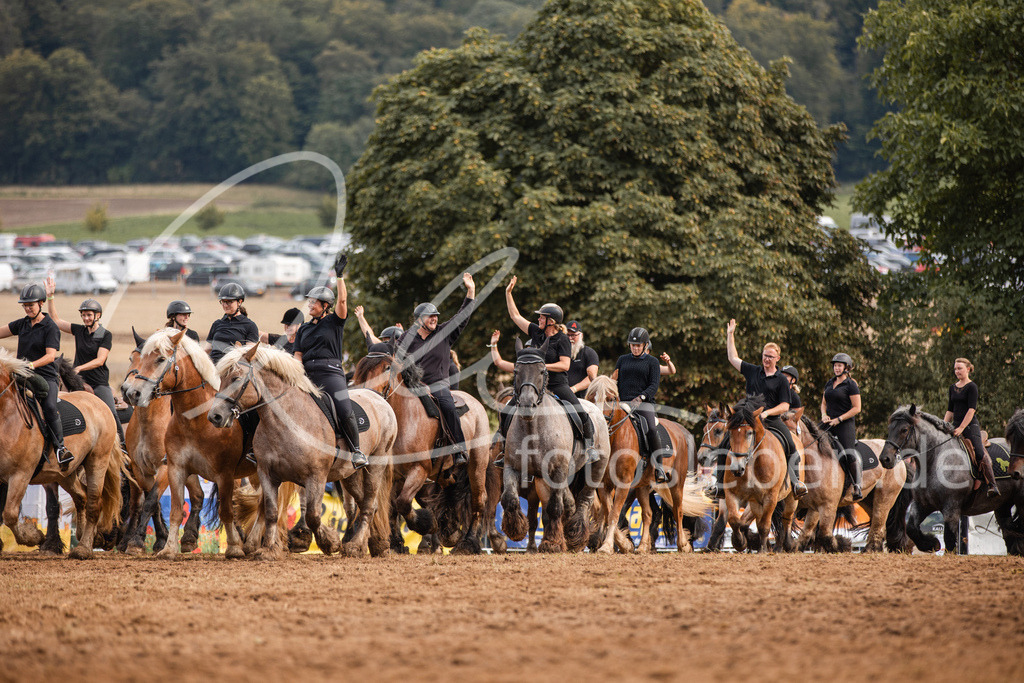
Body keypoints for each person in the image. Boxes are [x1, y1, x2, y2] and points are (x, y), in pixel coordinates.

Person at [500, 276, 599, 463]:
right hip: (534, 385)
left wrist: (542, 366)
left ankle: (590, 446)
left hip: (557, 384)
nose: (538, 319)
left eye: (541, 317)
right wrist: (508, 293)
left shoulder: (562, 339)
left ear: (551, 321)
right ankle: (503, 447)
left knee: (579, 411)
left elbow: (565, 365)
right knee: (507, 410)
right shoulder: (536, 331)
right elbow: (515, 316)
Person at [294, 254, 367, 469]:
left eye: (313, 302)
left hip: (331, 373)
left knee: (344, 409)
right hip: (307, 374)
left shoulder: (335, 322)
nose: (309, 305)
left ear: (326, 305)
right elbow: (297, 355)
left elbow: (343, 301)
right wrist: (296, 373)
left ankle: (356, 450)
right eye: (309, 302)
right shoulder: (304, 329)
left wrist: (340, 276)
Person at [395, 273, 477, 467]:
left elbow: (462, 317)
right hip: (412, 386)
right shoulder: (405, 338)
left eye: (436, 316)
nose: (434, 319)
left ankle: (458, 450)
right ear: (418, 320)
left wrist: (470, 291)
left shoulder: (444, 332)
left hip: (438, 385)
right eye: (430, 316)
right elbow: (396, 360)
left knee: (448, 406)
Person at [725, 319, 807, 497]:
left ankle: (796, 482)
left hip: (770, 419)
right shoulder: (753, 371)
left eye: (770, 356)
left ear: (777, 358)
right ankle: (718, 484)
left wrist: (767, 412)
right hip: (748, 419)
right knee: (725, 440)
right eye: (764, 355)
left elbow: (785, 405)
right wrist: (730, 334)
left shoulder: (781, 380)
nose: (766, 359)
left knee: (791, 446)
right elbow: (733, 358)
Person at [44, 276, 125, 447]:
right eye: (83, 315)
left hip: (98, 382)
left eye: (89, 315)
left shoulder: (105, 335)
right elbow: (56, 321)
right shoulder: (79, 330)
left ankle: (123, 449)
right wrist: (50, 297)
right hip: (78, 381)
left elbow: (100, 360)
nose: (86, 318)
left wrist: (79, 367)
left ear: (98, 316)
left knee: (111, 412)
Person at [0, 284, 71, 468]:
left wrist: (30, 365)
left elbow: (51, 356)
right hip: (21, 375)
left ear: (41, 303)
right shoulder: (22, 323)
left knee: (48, 405)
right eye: (25, 305)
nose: (27, 308)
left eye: (31, 305)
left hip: (45, 377)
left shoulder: (50, 327)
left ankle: (61, 448)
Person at [611, 327, 668, 483]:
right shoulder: (622, 359)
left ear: (645, 345)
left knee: (650, 429)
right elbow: (615, 379)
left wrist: (641, 397)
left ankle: (659, 467)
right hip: (622, 402)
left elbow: (654, 385)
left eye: (638, 345)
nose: (635, 348)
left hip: (644, 403)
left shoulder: (653, 362)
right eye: (633, 345)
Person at [944, 357, 998, 498]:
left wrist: (961, 428)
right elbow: (950, 410)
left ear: (968, 369)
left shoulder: (972, 387)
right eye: (955, 368)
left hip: (969, 426)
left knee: (979, 453)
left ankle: (991, 484)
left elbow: (971, 410)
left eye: (959, 368)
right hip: (954, 425)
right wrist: (943, 426)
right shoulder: (952, 387)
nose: (957, 371)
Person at [821, 353, 863, 500]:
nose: (836, 368)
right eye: (835, 365)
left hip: (844, 423)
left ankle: (857, 486)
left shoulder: (851, 385)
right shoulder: (829, 383)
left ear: (846, 368)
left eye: (839, 365)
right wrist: (823, 415)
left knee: (848, 452)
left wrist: (839, 419)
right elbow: (824, 403)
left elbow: (857, 408)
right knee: (811, 440)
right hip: (829, 421)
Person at [206, 283, 259, 364]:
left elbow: (249, 355)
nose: (225, 305)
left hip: (232, 367)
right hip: (213, 366)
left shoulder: (250, 326)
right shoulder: (217, 324)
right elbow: (207, 350)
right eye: (223, 301)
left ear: (239, 302)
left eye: (229, 302)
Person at [565, 321, 599, 398]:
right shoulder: (559, 353)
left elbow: (592, 377)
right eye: (568, 335)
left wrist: (573, 389)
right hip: (560, 396)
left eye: (573, 335)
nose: (570, 338)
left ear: (581, 335)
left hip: (583, 397)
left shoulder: (589, 353)